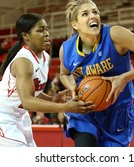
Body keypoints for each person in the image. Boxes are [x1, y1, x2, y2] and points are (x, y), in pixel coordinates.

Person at [59, 0, 134, 147]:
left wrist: (125, 77)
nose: (93, 16)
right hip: (86, 109)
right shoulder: (66, 49)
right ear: (75, 24)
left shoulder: (114, 35)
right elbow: (64, 74)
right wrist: (72, 86)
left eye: (95, 12)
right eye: (85, 14)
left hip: (118, 111)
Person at [0, 13, 94, 147]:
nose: (46, 33)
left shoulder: (44, 56)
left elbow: (33, 92)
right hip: (4, 116)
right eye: (40, 30)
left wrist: (53, 99)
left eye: (46, 29)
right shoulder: (23, 61)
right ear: (26, 36)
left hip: (19, 116)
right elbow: (27, 101)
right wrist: (63, 107)